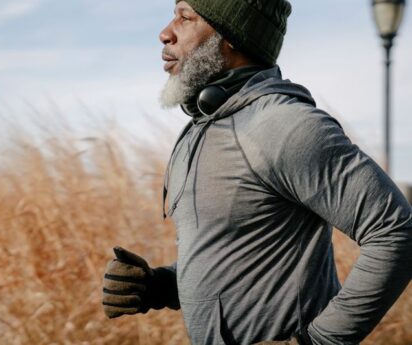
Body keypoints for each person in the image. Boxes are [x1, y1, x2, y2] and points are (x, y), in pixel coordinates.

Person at [102, 1, 412, 344]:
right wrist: (158, 286)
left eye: (186, 17)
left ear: (231, 36)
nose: (165, 33)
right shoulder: (200, 130)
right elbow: (236, 260)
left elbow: (396, 231)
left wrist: (319, 341)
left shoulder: (286, 126)